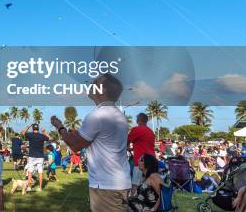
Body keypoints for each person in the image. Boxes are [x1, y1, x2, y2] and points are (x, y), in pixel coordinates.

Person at [51, 73, 131, 212]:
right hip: (120, 182)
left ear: (103, 90)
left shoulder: (97, 116)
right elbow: (98, 140)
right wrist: (78, 135)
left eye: (95, 82)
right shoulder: (118, 115)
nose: (91, 83)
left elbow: (75, 146)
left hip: (106, 186)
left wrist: (60, 127)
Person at [127, 113, 155, 194]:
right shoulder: (151, 132)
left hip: (141, 161)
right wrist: (132, 148)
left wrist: (127, 147)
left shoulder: (136, 129)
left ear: (138, 120)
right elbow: (145, 145)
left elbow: (126, 142)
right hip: (151, 161)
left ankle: (132, 202)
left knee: (135, 184)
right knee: (147, 184)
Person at [21, 123, 50, 192]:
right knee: (40, 172)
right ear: (38, 129)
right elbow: (49, 138)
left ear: (33, 128)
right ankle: (40, 187)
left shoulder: (30, 135)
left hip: (32, 155)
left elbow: (22, 132)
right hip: (40, 156)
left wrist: (28, 126)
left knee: (30, 172)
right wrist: (44, 131)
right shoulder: (42, 136)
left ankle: (29, 187)